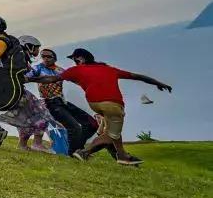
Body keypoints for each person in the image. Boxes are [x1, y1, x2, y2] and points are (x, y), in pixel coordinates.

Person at [27, 48, 171, 165]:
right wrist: (159, 83)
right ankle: (82, 152)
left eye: (75, 59)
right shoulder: (109, 69)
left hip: (92, 103)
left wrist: (28, 79)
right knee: (110, 133)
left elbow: (52, 78)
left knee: (103, 127)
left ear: (81, 59)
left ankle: (121, 156)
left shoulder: (72, 70)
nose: (75, 62)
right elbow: (137, 76)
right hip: (111, 103)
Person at [26, 47, 103, 158]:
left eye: (49, 56)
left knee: (92, 124)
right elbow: (27, 76)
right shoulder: (37, 68)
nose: (45, 59)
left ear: (55, 58)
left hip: (63, 102)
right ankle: (72, 154)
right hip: (49, 103)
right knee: (75, 127)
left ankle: (78, 150)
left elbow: (77, 80)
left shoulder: (60, 70)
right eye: (43, 56)